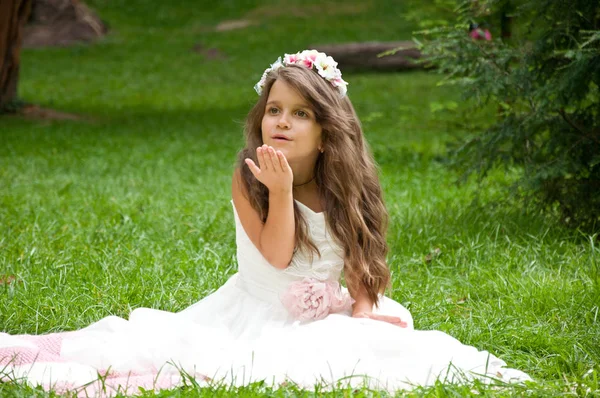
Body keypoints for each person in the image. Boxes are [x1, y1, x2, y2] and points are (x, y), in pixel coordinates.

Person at [0, 49, 530, 396]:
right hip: (255, 312)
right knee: (251, 362)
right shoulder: (249, 176)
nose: (283, 121)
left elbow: (364, 260)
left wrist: (365, 309)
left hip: (328, 311)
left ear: (327, 133)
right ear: (261, 117)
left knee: (383, 348)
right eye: (275, 109)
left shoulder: (349, 183)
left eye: (301, 114)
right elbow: (277, 256)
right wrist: (279, 192)